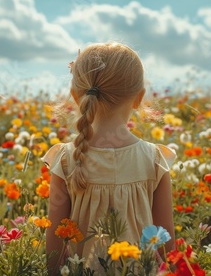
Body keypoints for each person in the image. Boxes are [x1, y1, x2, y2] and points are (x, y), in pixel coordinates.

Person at [43, 42, 176, 274]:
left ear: (76, 97)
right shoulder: (154, 160)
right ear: (138, 98)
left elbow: (54, 238)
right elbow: (165, 239)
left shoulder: (65, 159)